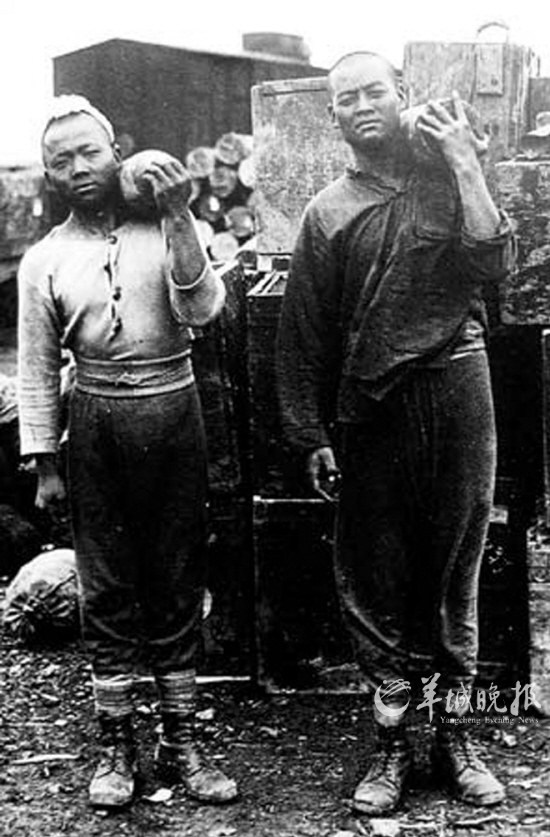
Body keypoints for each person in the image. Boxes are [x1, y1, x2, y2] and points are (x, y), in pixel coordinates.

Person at [276, 52, 514, 815]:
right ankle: (392, 744)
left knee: (455, 565)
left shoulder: (449, 176)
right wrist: (308, 431)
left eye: (374, 91)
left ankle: (454, 735)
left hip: (456, 379)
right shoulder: (329, 211)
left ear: (402, 94)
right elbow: (304, 333)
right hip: (371, 403)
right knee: (375, 575)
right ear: (333, 118)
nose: (362, 106)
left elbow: (494, 258)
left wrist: (463, 160)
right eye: (346, 99)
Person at [17, 95, 238, 809]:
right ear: (50, 176)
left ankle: (182, 741)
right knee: (107, 587)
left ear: (116, 154)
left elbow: (203, 309)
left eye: (90, 152)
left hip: (174, 413)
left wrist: (177, 214)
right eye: (62, 160)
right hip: (97, 423)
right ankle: (117, 745)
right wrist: (45, 463)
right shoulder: (45, 259)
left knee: (176, 579)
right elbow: (36, 369)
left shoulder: (167, 227)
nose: (79, 168)